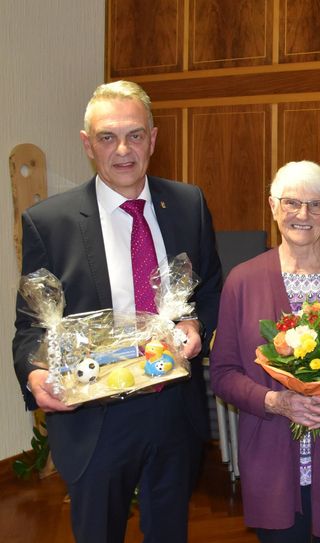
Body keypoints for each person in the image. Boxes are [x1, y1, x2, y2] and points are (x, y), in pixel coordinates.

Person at [12, 80, 222, 542]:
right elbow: (30, 327)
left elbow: (210, 291)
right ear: (88, 145)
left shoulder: (189, 203)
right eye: (107, 137)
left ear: (154, 137)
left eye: (135, 135)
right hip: (95, 419)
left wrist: (194, 324)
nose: (123, 149)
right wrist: (34, 376)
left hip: (172, 408)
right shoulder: (49, 222)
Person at [208, 160, 320, 542]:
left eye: (315, 204)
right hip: (271, 464)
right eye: (291, 203)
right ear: (273, 207)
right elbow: (224, 374)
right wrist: (276, 401)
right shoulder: (242, 281)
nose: (302, 215)